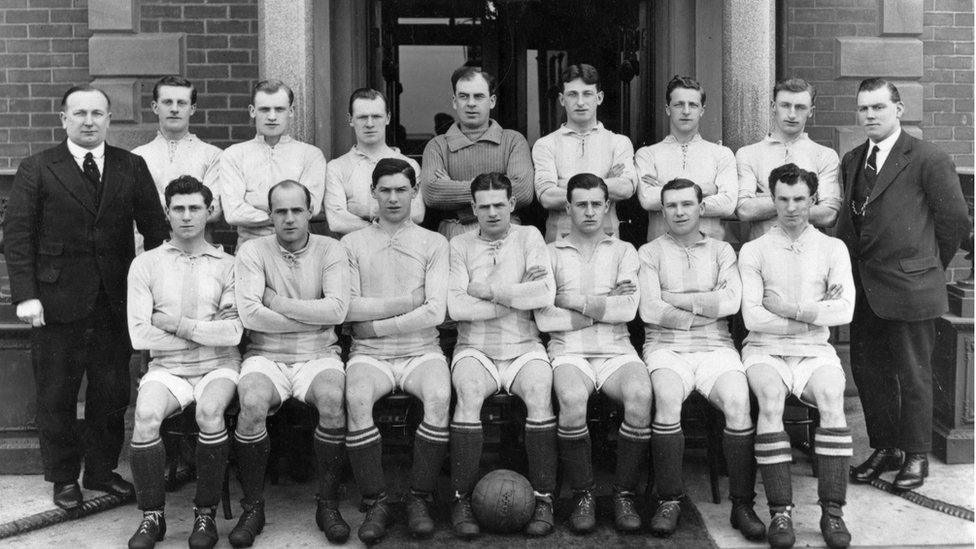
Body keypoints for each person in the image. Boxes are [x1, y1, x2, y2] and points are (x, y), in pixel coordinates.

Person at [3, 84, 169, 510]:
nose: (89, 121)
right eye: (80, 114)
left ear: (109, 119)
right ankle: (62, 478)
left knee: (111, 392)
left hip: (115, 302)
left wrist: (153, 291)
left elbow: (155, 232)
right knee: (57, 394)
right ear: (64, 119)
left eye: (98, 113)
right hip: (56, 302)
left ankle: (100, 470)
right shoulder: (38, 167)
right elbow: (17, 236)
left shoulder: (130, 166)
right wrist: (26, 295)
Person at [838, 78, 968, 490]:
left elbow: (955, 223)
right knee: (871, 372)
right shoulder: (853, 159)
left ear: (899, 108)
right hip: (865, 290)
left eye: (878, 107)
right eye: (863, 109)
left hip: (912, 288)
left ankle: (915, 456)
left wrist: (927, 266)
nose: (870, 116)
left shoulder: (928, 157)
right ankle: (886, 447)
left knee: (914, 374)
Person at [637, 178, 764, 541]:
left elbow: (731, 303)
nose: (679, 212)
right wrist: (703, 304)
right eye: (671, 206)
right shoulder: (649, 252)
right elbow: (649, 308)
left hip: (715, 346)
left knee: (739, 402)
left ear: (700, 208)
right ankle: (669, 499)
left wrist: (674, 297)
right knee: (666, 399)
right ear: (662, 211)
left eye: (687, 204)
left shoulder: (723, 251)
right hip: (666, 347)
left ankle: (742, 504)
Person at [738, 163, 855, 549]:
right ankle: (781, 513)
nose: (791, 207)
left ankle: (832, 512)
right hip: (764, 350)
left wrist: (789, 309)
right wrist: (812, 314)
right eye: (783, 199)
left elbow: (845, 311)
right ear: (772, 200)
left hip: (814, 350)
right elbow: (753, 315)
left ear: (812, 200)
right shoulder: (755, 249)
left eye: (800, 199)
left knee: (832, 400)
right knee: (770, 400)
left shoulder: (832, 247)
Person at [125, 176, 242, 549]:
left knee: (210, 412)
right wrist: (204, 331)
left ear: (209, 212)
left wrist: (174, 325)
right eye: (179, 208)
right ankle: (152, 517)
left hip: (218, 365)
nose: (187, 216)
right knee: (144, 418)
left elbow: (233, 333)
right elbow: (141, 336)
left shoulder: (230, 265)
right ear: (167, 212)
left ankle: (204, 514)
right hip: (168, 368)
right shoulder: (145, 264)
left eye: (195, 208)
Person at [231, 180, 350, 546]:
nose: (289, 218)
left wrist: (277, 303)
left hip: (318, 353)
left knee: (332, 401)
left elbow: (337, 310)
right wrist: (310, 314)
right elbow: (250, 315)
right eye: (280, 211)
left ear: (310, 211)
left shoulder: (331, 249)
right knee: (250, 403)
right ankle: (253, 507)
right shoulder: (253, 250)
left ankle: (327, 503)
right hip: (266, 354)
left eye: (297, 210)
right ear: (270, 215)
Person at [341, 158, 451, 543]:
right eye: (384, 190)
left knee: (439, 395)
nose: (392, 198)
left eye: (401, 189)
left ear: (414, 192)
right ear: (372, 192)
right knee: (355, 397)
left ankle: (419, 497)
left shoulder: (434, 242)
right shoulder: (351, 243)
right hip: (369, 353)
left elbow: (436, 310)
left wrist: (378, 321)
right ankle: (376, 501)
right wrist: (408, 301)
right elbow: (349, 309)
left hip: (421, 350)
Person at [534, 173, 650, 534]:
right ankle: (583, 493)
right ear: (567, 208)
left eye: (596, 204)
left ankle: (623, 493)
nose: (588, 211)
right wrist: (602, 303)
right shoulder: (549, 252)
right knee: (570, 398)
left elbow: (628, 310)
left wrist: (572, 301)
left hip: (616, 349)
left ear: (607, 206)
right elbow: (544, 317)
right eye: (580, 204)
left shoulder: (625, 251)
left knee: (640, 396)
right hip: (569, 351)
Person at [447, 172, 558, 539]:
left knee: (541, 394)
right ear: (473, 209)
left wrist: (486, 290)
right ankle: (461, 498)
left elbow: (542, 293)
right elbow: (457, 306)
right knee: (467, 396)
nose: (493, 213)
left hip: (524, 345)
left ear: (512, 204)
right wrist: (512, 298)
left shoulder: (529, 237)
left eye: (500, 205)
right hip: (475, 348)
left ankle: (543, 497)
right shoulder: (459, 245)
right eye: (485, 206)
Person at [420, 66, 534, 239]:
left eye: (479, 96)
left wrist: (453, 188)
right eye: (463, 96)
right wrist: (496, 189)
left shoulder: (513, 141)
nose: (471, 103)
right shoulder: (437, 146)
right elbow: (432, 193)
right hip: (454, 235)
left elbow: (523, 192)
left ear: (492, 101)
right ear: (454, 101)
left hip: (507, 235)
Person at [533, 63, 637, 243]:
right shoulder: (546, 144)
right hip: (560, 242)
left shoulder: (619, 142)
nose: (580, 102)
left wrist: (564, 183)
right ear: (562, 99)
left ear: (599, 97)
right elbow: (547, 197)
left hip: (607, 241)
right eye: (572, 94)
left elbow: (625, 189)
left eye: (587, 94)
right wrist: (604, 184)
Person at [220, 80, 326, 247]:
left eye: (279, 109)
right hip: (251, 248)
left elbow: (312, 207)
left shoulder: (310, 155)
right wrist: (289, 213)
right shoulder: (234, 155)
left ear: (290, 111)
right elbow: (233, 213)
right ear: (252, 111)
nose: (271, 116)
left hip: (298, 249)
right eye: (264, 109)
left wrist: (255, 207)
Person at [735, 77, 841, 241]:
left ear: (811, 111)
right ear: (773, 106)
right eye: (785, 105)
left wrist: (764, 200)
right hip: (763, 255)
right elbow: (744, 211)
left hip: (810, 257)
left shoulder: (825, 155)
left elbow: (829, 215)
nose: (792, 114)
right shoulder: (748, 154)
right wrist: (805, 203)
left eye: (800, 107)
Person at [635, 75, 736, 242]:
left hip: (709, 252)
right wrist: (706, 189)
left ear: (702, 110)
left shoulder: (721, 154)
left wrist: (665, 192)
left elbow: (727, 205)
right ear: (668, 109)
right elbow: (648, 200)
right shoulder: (647, 154)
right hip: (662, 254)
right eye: (679, 104)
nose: (686, 111)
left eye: (693, 105)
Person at [132, 75, 222, 251]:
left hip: (200, 253)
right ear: (155, 107)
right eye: (167, 102)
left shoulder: (213, 155)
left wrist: (156, 210)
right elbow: (133, 211)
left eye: (181, 103)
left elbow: (214, 210)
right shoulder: (137, 156)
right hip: (151, 253)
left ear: (192, 108)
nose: (174, 109)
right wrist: (192, 207)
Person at [325, 88, 424, 236]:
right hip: (355, 254)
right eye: (362, 117)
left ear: (388, 118)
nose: (369, 124)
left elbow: (416, 214)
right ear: (350, 119)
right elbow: (337, 221)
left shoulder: (409, 165)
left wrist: (362, 215)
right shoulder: (336, 167)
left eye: (376, 116)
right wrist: (390, 219)